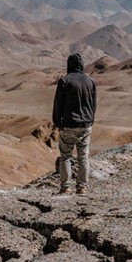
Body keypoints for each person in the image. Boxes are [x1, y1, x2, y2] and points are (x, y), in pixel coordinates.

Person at [52, 52, 96, 194]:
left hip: (69, 124)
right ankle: (82, 187)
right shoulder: (90, 81)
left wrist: (57, 122)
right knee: (83, 155)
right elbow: (93, 104)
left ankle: (65, 188)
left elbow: (58, 104)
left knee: (66, 156)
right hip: (86, 124)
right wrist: (90, 120)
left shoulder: (64, 81)